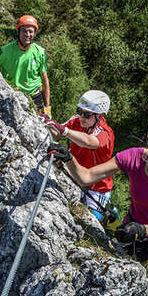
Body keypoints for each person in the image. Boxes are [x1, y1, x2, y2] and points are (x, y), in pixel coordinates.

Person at [47, 115, 148, 291]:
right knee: (130, 286)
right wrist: (69, 158)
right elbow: (86, 177)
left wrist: (145, 230)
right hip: (134, 230)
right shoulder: (133, 158)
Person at [44, 90, 115, 222]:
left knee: (87, 223)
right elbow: (57, 134)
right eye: (80, 111)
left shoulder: (105, 133)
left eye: (87, 114)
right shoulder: (76, 120)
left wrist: (65, 131)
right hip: (75, 177)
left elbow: (89, 141)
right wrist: (46, 122)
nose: (82, 117)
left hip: (97, 188)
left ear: (99, 116)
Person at [0, 15, 51, 116]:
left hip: (35, 97)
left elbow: (45, 80)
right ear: (18, 32)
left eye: (31, 31)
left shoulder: (40, 52)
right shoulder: (5, 51)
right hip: (13, 96)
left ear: (35, 33)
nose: (27, 34)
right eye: (24, 31)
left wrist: (47, 108)